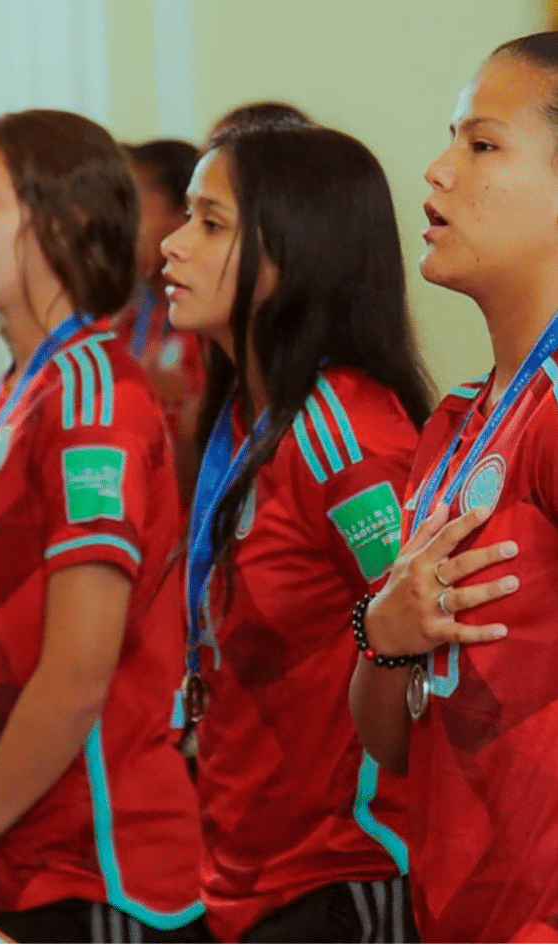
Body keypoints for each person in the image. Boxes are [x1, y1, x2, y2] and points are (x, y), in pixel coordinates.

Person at [0, 109, 205, 943]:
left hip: (98, 864)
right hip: (8, 854)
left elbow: (77, 672)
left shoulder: (94, 398)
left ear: (61, 223)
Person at [159, 122, 431, 942]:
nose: (171, 246)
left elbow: (430, 663)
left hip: (344, 878)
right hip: (249, 873)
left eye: (211, 223)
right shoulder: (249, 418)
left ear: (295, 253)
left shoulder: (346, 434)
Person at [351, 31, 558, 944]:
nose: (435, 171)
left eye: (482, 145)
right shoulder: (457, 423)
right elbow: (392, 739)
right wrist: (382, 636)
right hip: (456, 909)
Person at [119, 139, 206, 498]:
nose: (117, 225)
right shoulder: (131, 311)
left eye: (131, 207)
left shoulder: (205, 325)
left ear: (179, 217)